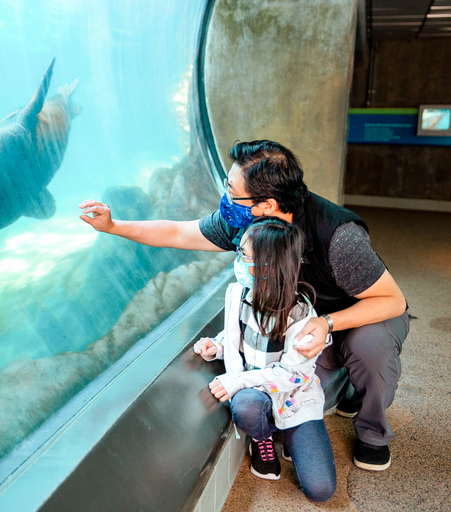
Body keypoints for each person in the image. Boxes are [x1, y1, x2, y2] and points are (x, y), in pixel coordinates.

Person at [79, 139, 409, 472]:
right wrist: (113, 226)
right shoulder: (245, 222)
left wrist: (327, 322)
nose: (225, 198)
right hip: (298, 322)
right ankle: (350, 383)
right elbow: (179, 233)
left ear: (266, 204)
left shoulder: (338, 236)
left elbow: (392, 300)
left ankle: (373, 433)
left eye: (232, 190)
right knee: (304, 398)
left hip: (360, 314)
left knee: (370, 350)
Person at [193, 217, 335, 500]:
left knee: (321, 490)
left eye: (244, 255)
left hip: (294, 398)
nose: (238, 260)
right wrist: (217, 346)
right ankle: (263, 436)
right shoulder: (238, 292)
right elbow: (240, 336)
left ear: (269, 265)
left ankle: (291, 435)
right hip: (258, 394)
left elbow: (291, 375)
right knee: (245, 406)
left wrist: (236, 380)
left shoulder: (301, 314)